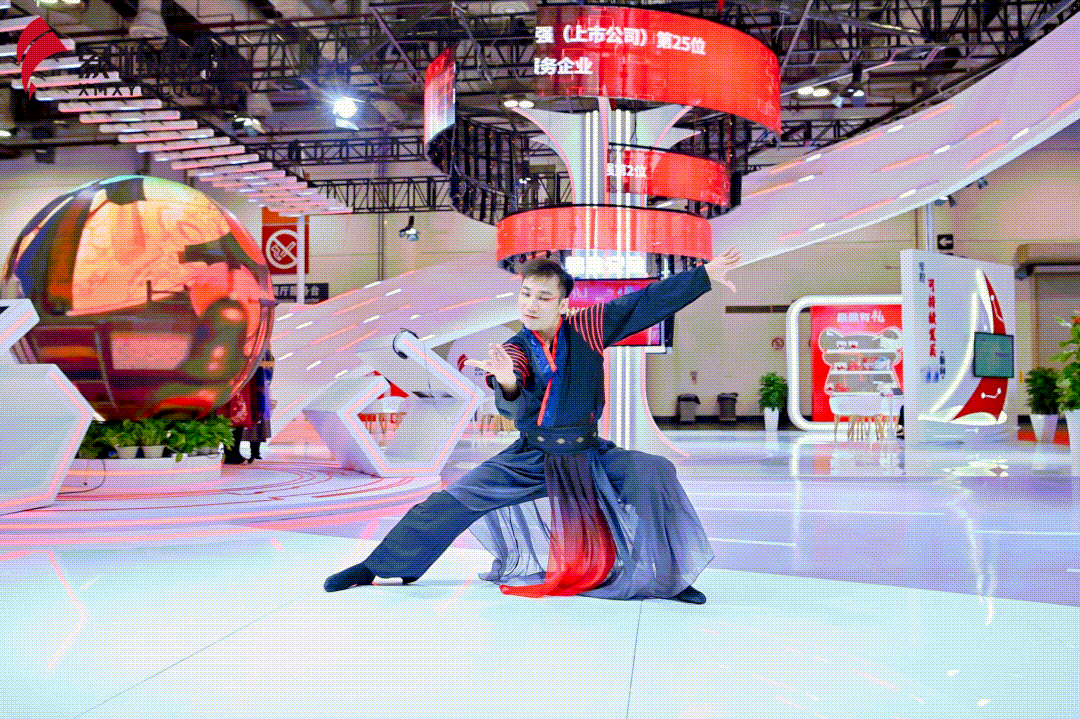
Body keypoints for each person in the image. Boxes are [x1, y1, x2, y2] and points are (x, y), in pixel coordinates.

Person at [324, 248, 741, 603]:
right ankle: (379, 566)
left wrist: (703, 275)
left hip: (588, 453)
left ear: (562, 304)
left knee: (653, 472)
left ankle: (669, 580)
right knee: (450, 500)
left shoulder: (590, 326)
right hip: (532, 457)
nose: (531, 304)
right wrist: (507, 380)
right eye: (525, 294)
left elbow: (644, 302)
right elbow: (514, 392)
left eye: (543, 297)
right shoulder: (516, 348)